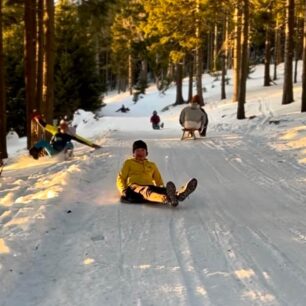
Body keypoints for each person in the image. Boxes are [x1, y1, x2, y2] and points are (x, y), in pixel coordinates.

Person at [116, 140, 197, 207]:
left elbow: (158, 180)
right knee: (146, 191)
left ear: (146, 153)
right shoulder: (129, 163)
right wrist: (123, 190)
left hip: (150, 186)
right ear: (133, 153)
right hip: (135, 186)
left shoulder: (152, 165)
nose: (140, 153)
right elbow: (121, 177)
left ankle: (179, 194)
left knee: (161, 190)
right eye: (137, 150)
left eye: (142, 150)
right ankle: (165, 199)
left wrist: (162, 188)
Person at [29, 116, 100, 160]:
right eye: (62, 128)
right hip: (53, 151)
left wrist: (93, 145)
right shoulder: (55, 130)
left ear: (67, 128)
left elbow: (82, 140)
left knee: (70, 144)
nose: (64, 130)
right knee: (43, 142)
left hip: (61, 152)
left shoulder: (69, 134)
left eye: (65, 128)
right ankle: (34, 152)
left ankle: (68, 157)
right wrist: (37, 118)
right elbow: (44, 125)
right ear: (60, 127)